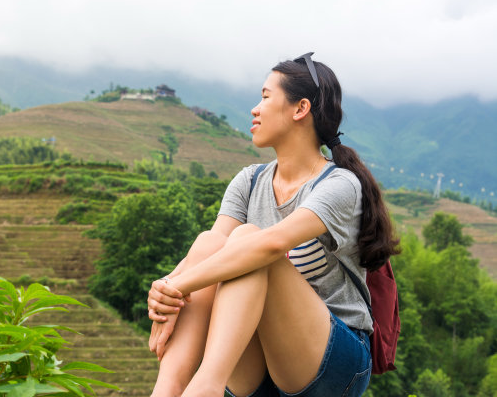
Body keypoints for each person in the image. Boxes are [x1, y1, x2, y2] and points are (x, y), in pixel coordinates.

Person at [146, 53, 399, 397]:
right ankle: (168, 388)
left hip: (333, 361)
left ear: (300, 109)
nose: (255, 108)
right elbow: (209, 253)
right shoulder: (249, 181)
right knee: (210, 243)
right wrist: (165, 290)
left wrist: (178, 286)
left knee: (250, 243)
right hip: (259, 363)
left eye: (265, 97)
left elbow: (270, 245)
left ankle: (205, 387)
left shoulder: (339, 185)